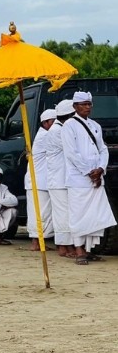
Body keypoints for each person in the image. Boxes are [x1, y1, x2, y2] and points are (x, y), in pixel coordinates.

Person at [62, 91, 117, 262]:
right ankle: (79, 250)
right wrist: (89, 171)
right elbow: (71, 153)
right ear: (75, 106)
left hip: (96, 178)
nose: (87, 107)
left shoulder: (95, 125)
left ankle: (88, 249)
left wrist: (100, 168)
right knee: (78, 214)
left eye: (89, 104)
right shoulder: (69, 125)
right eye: (83, 104)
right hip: (78, 179)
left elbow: (103, 149)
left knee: (94, 215)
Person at [45, 100, 76, 257]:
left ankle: (67, 246)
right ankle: (64, 247)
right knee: (62, 214)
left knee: (64, 214)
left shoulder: (59, 128)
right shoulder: (57, 131)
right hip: (58, 180)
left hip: (62, 179)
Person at [25, 109, 57, 251]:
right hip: (37, 181)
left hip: (42, 180)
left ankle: (39, 242)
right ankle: (35, 243)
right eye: (53, 121)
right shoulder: (45, 136)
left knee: (42, 213)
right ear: (45, 123)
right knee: (38, 213)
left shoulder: (46, 134)